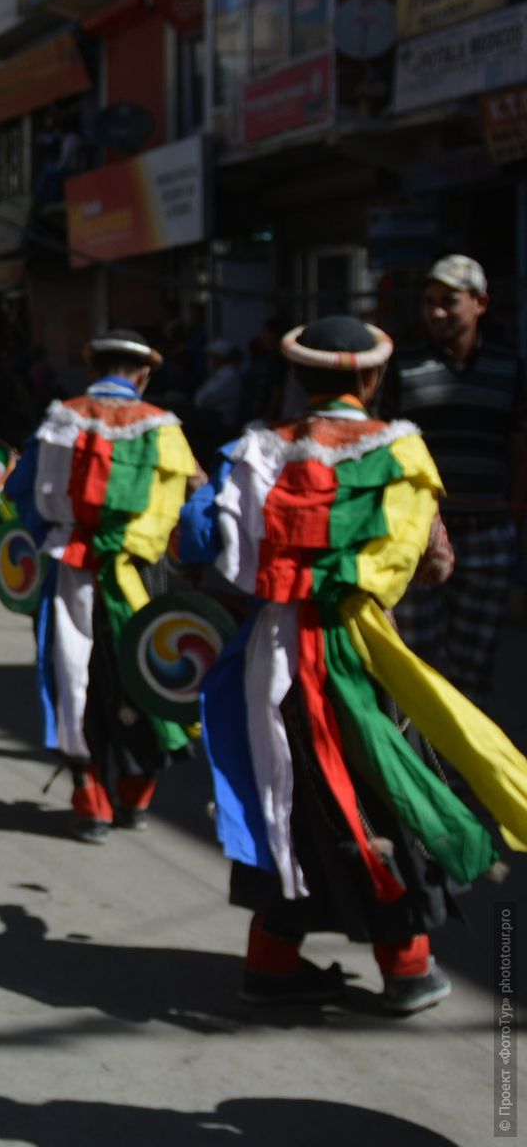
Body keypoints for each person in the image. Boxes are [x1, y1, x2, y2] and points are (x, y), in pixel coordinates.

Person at [179, 314, 527, 1013]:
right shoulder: (401, 452)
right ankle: (407, 969)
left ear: (297, 379)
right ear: (372, 377)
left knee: (290, 798)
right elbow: (435, 562)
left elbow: (194, 545)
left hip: (268, 659)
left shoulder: (253, 449)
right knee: (378, 795)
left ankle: (271, 961)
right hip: (362, 656)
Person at [3, 330, 199, 842]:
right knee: (143, 674)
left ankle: (90, 797)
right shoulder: (164, 427)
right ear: (144, 375)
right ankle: (135, 791)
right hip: (140, 575)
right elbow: (197, 497)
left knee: (74, 681)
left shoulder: (59, 417)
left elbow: (18, 493)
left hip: (68, 570)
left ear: (95, 371)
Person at [381, 254, 527, 708]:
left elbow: (520, 449)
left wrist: (514, 521)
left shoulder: (510, 369)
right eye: (428, 302)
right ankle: (418, 768)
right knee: (414, 659)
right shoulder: (403, 367)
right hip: (418, 534)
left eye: (449, 301)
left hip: (487, 535)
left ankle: (461, 773)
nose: (436, 312)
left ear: (480, 303)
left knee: (472, 665)